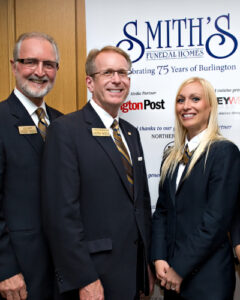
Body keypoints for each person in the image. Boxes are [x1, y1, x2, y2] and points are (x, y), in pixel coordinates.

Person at [41, 46, 154, 300]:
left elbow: (141, 204)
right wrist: (84, 278)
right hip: (93, 278)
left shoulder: (130, 133)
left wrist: (145, 261)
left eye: (123, 73)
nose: (117, 79)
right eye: (108, 72)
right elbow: (60, 215)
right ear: (90, 82)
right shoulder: (66, 131)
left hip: (132, 274)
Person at [151, 77, 240, 300]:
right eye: (181, 100)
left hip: (208, 280)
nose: (186, 106)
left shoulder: (224, 153)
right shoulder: (170, 157)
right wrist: (159, 257)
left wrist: (179, 268)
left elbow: (216, 221)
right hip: (171, 278)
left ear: (210, 106)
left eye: (195, 99)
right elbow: (162, 212)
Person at [0, 32, 62, 300]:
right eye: (30, 62)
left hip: (62, 272)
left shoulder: (63, 124)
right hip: (18, 275)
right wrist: (4, 268)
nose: (40, 72)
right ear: (14, 65)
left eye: (48, 64)